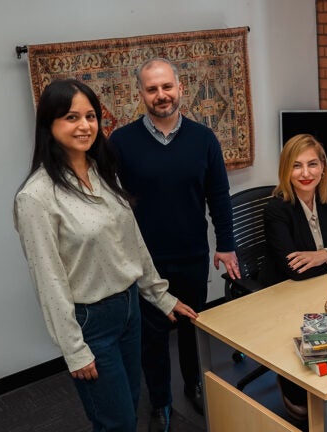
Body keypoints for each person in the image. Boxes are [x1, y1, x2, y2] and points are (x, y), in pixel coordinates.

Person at [13, 79, 198, 431]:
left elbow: (130, 242)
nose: (85, 126)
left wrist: (159, 295)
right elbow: (48, 279)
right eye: (71, 117)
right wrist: (74, 349)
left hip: (129, 310)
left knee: (129, 406)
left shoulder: (100, 171)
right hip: (90, 321)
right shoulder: (36, 197)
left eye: (91, 116)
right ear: (49, 125)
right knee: (117, 423)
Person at [111, 58, 240, 431]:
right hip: (145, 263)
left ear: (180, 88)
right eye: (152, 89)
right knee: (152, 338)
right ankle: (161, 402)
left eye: (166, 87)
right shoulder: (121, 142)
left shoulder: (203, 139)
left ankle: (195, 385)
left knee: (191, 327)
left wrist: (227, 244)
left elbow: (219, 196)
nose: (161, 95)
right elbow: (112, 205)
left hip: (192, 255)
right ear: (141, 95)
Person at [262, 133, 327, 421]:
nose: (305, 174)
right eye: (296, 166)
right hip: (285, 292)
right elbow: (293, 270)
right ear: (286, 170)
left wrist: (322, 255)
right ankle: (298, 386)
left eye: (312, 164)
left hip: (325, 285)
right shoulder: (276, 209)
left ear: (323, 167)